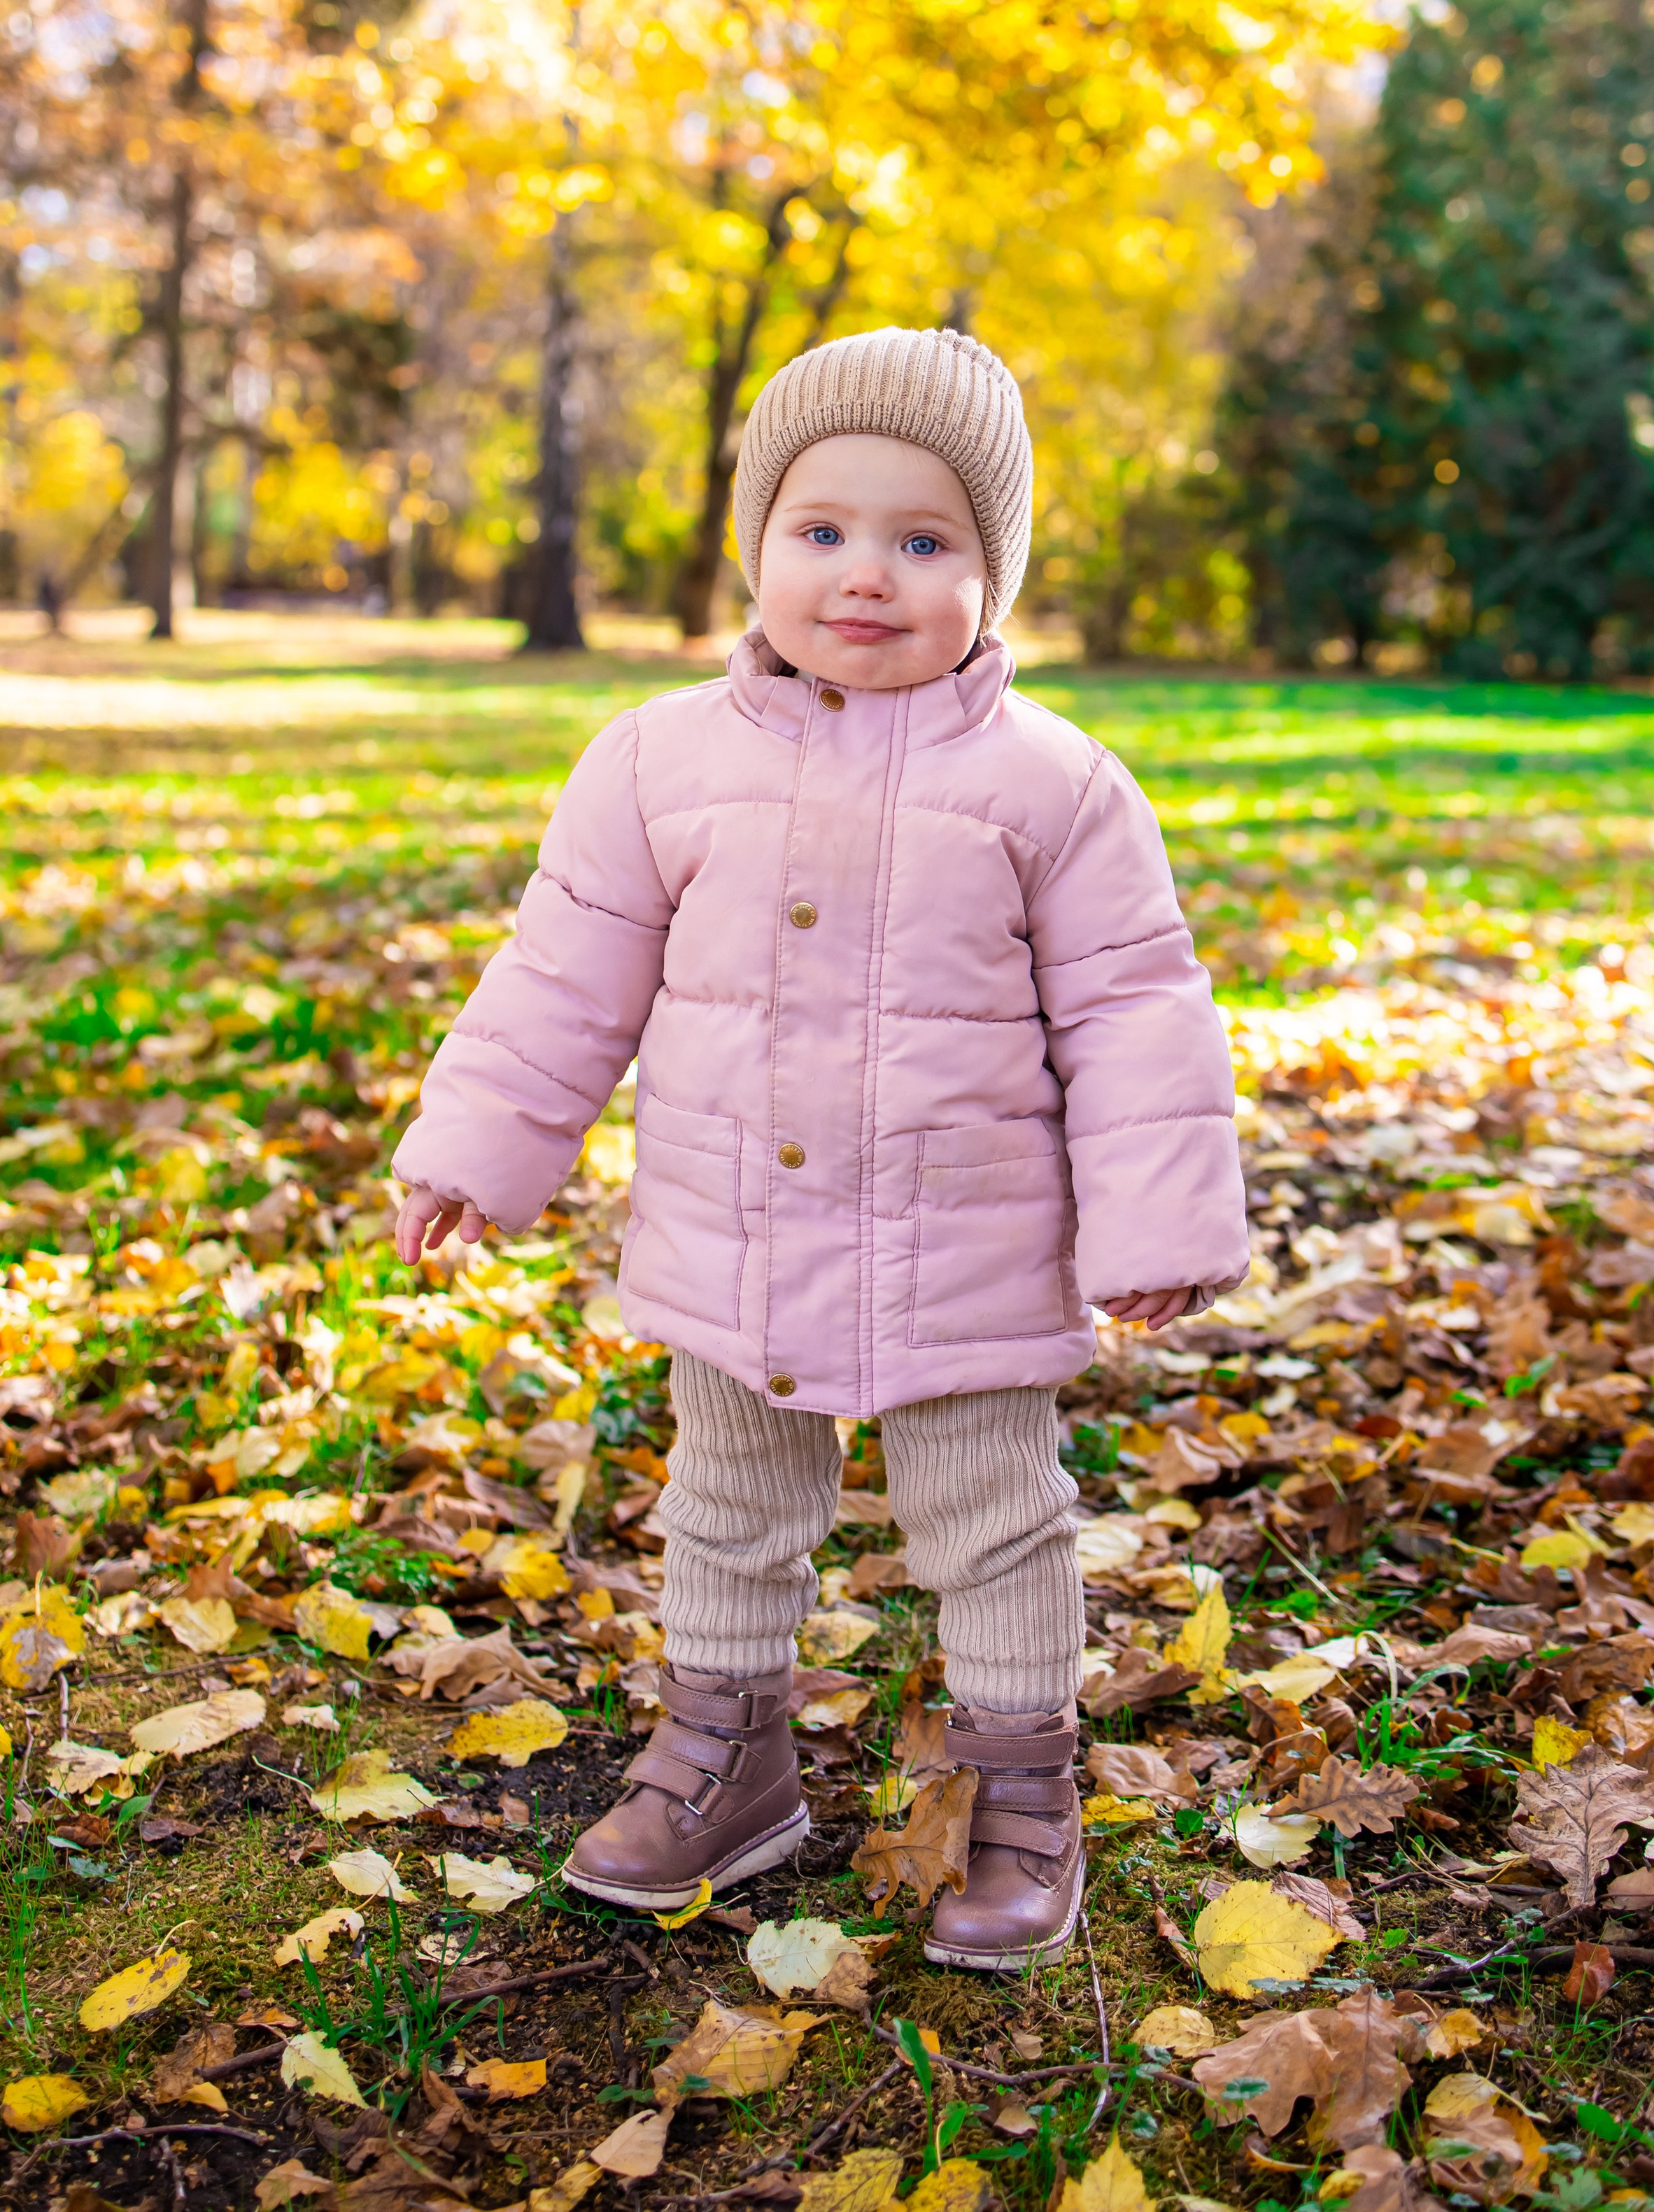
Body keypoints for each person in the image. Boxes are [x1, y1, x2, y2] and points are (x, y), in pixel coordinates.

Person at [391, 326, 1247, 1970]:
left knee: (993, 1517)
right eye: (822, 530)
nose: (865, 575)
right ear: (757, 544)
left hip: (968, 1237)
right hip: (733, 1235)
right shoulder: (655, 760)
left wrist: (1156, 1222)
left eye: (923, 541)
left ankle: (1017, 1794)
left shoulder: (1054, 785)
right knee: (722, 1502)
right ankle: (731, 1759)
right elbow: (561, 975)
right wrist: (473, 1154)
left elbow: (1138, 1008)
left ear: (989, 573)